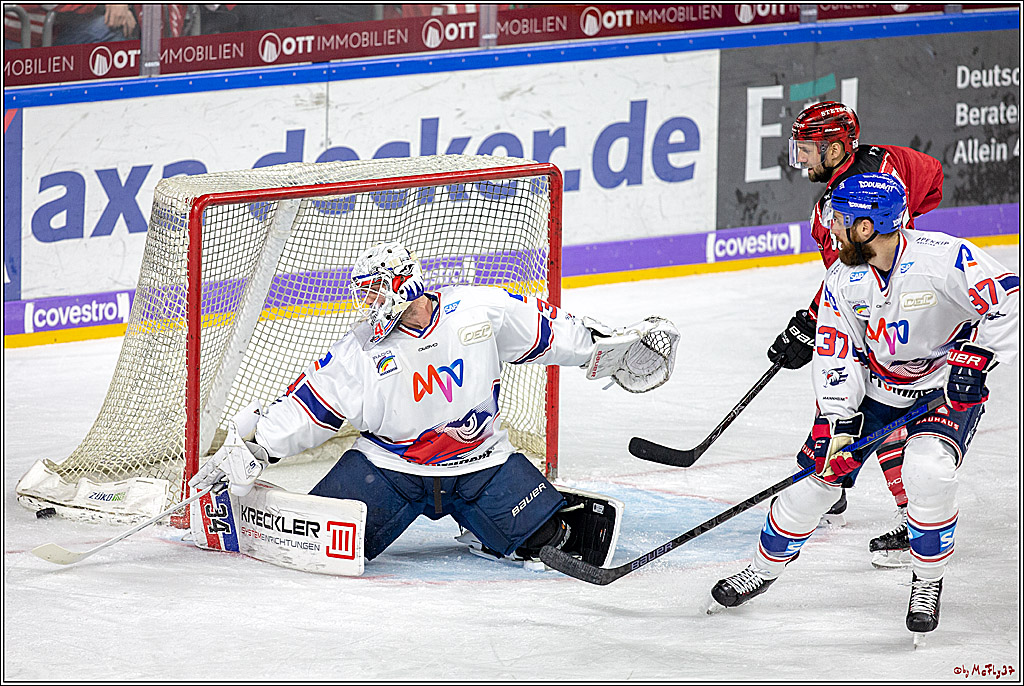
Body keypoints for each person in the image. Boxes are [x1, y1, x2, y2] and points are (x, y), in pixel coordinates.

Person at [190, 240, 679, 568]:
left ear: (404, 283)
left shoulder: (479, 310)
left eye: (375, 289)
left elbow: (550, 331)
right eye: (364, 293)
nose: (368, 302)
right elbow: (310, 406)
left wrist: (607, 350)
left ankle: (489, 527)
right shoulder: (360, 349)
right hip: (389, 468)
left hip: (481, 461)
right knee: (324, 545)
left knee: (554, 539)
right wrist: (256, 444)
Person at [710, 173, 1018, 636]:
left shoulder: (943, 258)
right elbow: (837, 351)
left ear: (866, 228)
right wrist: (839, 416)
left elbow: (1009, 297)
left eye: (839, 220)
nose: (832, 228)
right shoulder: (842, 277)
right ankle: (762, 569)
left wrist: (977, 358)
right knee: (813, 485)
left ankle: (927, 581)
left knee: (928, 472)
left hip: (942, 388)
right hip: (874, 390)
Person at [766, 101, 945, 566]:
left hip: (894, 314)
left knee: (870, 405)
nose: (800, 158)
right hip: (897, 300)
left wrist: (812, 320)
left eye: (807, 149)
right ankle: (835, 494)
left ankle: (907, 520)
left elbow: (848, 277)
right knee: (853, 401)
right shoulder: (889, 159)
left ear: (835, 148)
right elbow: (933, 177)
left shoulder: (840, 207)